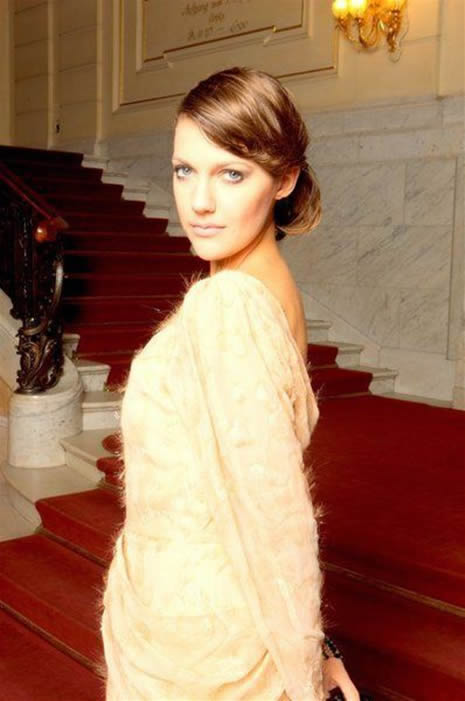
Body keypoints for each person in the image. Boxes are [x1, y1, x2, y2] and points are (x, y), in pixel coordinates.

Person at [98, 66, 360, 700]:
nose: (200, 201)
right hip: (186, 613)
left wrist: (306, 666)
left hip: (200, 641)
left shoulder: (230, 304)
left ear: (285, 179)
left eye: (232, 174)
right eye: (185, 170)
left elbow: (275, 510)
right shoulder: (264, 288)